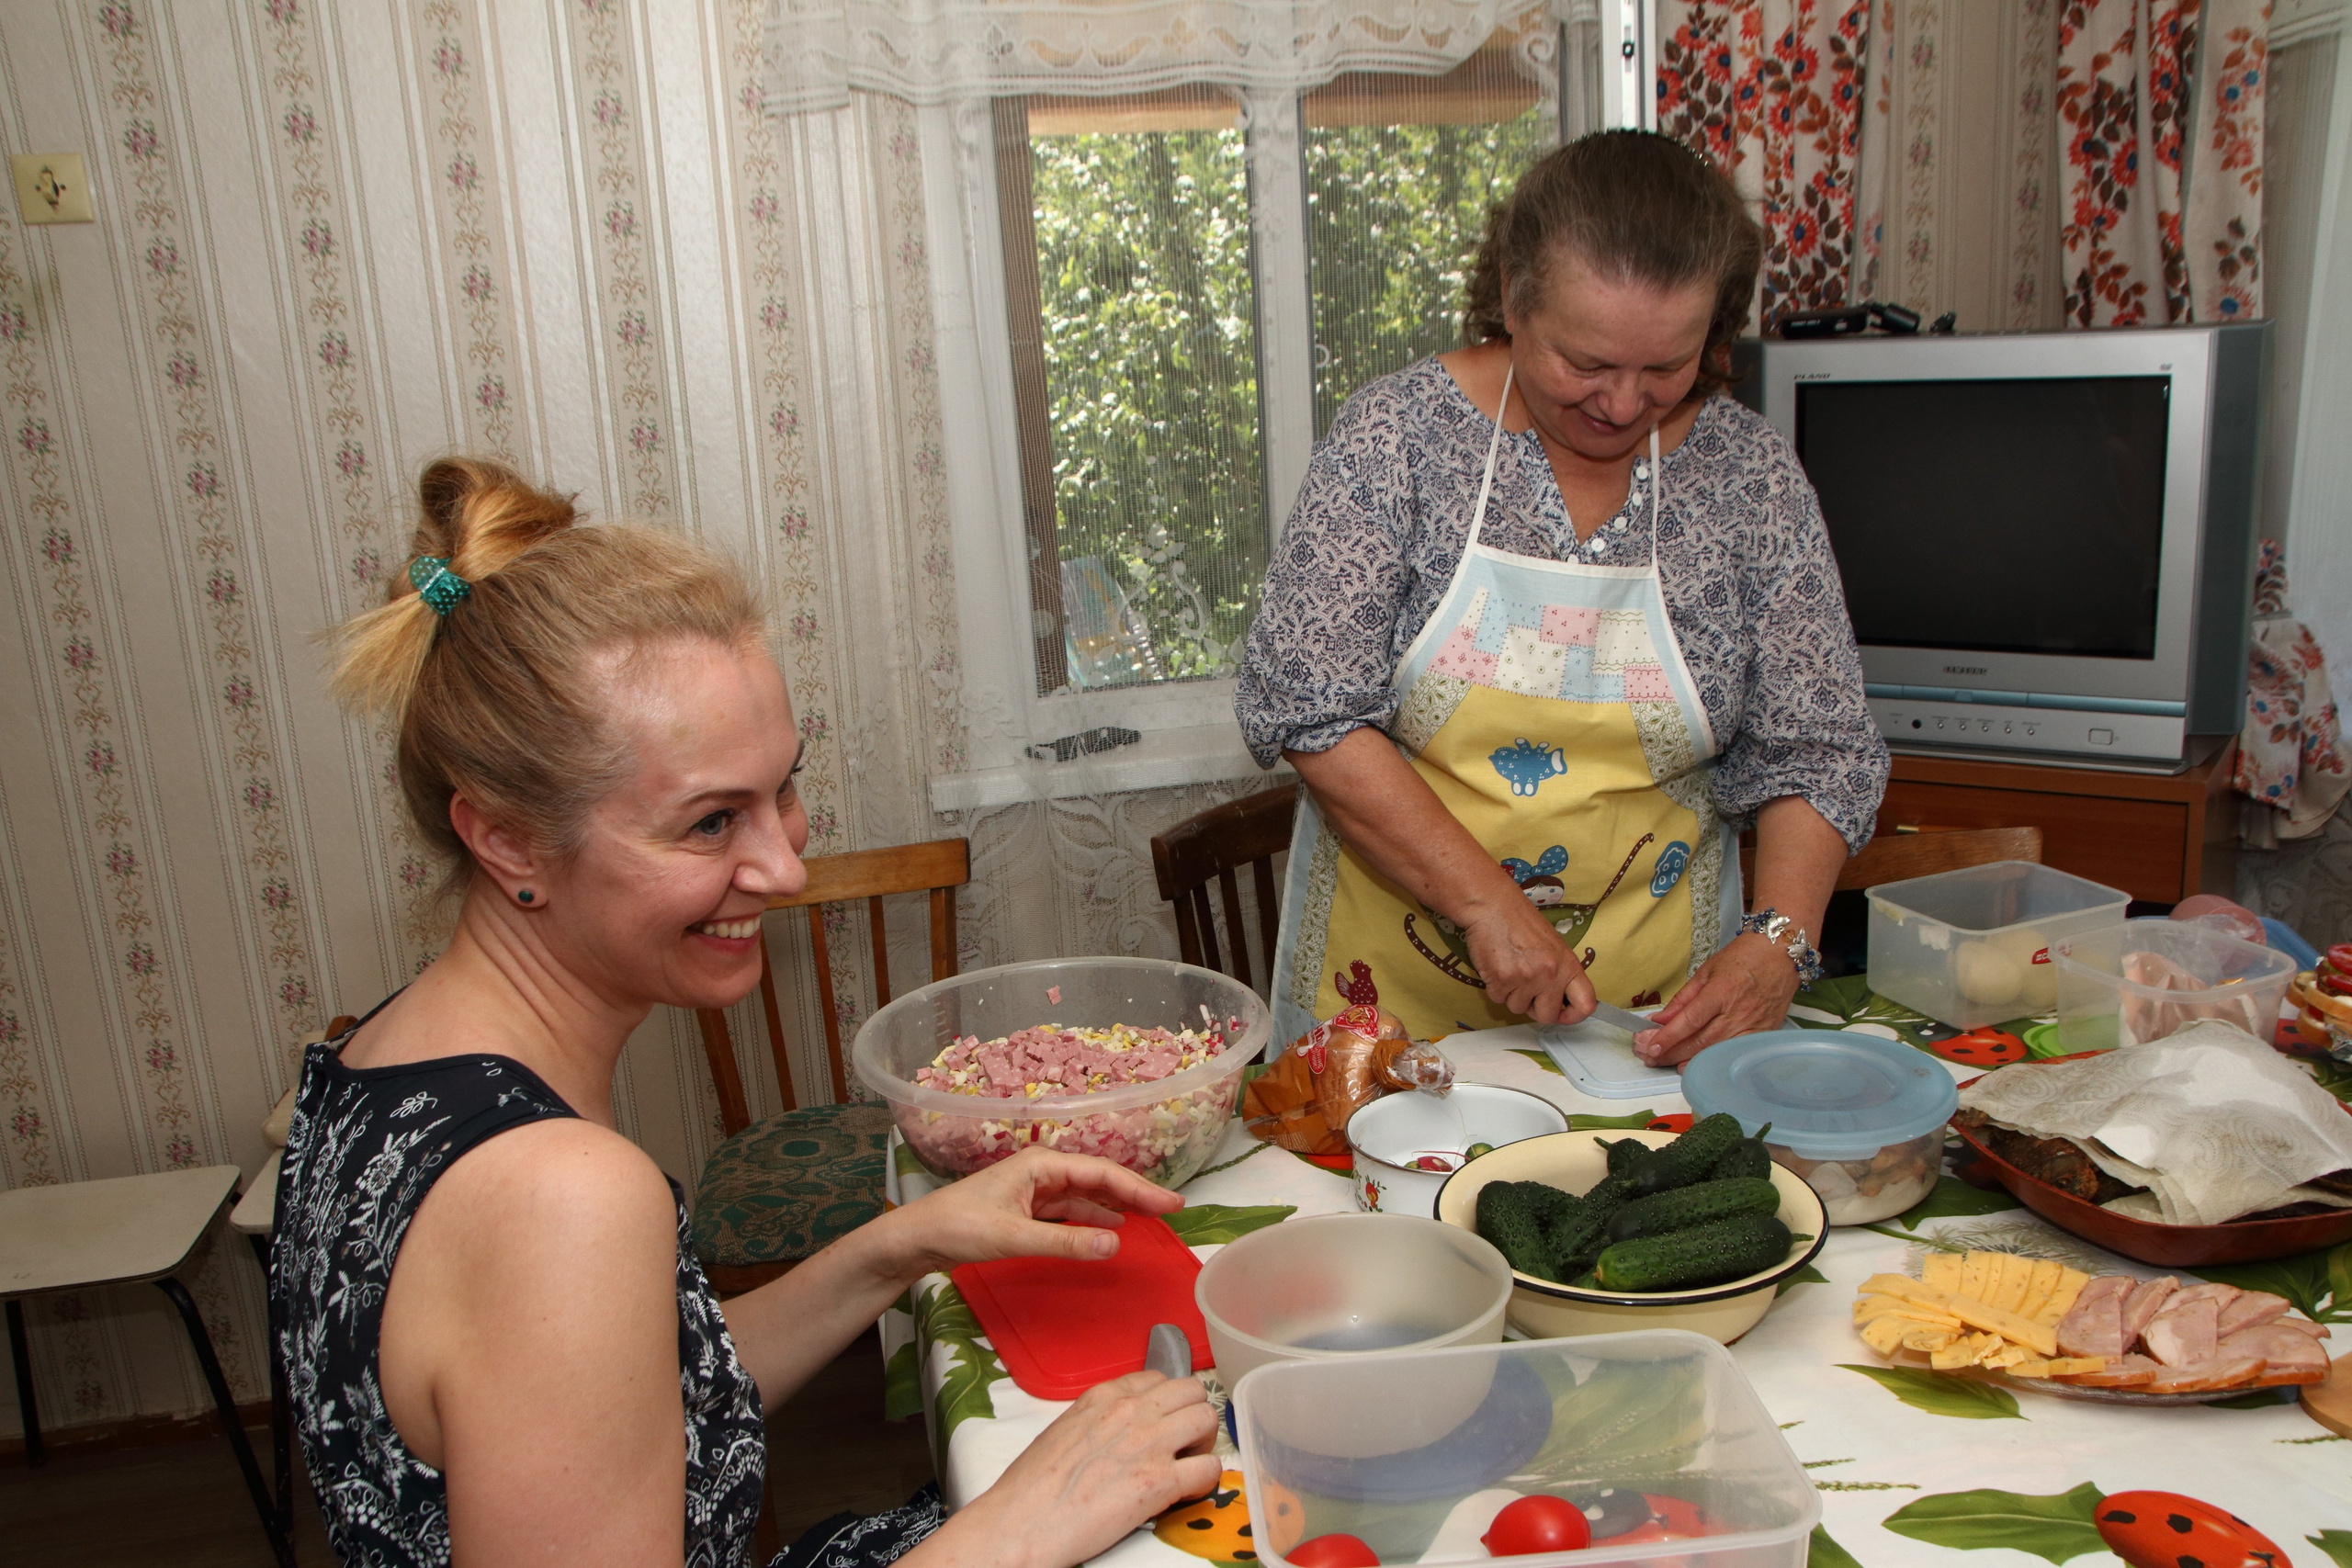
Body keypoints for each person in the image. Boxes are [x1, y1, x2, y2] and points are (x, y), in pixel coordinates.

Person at [274, 458, 1218, 1568]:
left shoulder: (386, 1054)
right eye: (712, 824)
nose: (782, 866)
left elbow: (635, 1399)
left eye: (783, 789)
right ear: (510, 842)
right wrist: (1014, 1531)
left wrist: (902, 1242)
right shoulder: (560, 1200)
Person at [1238, 130, 1889, 1066]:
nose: (1622, 404)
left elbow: (1813, 749)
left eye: (1664, 368)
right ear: (1512, 296)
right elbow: (1311, 711)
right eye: (1584, 363)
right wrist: (1487, 905)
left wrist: (1778, 942)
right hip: (1386, 1015)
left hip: (1659, 1025)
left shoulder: (1750, 480)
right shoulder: (1398, 441)